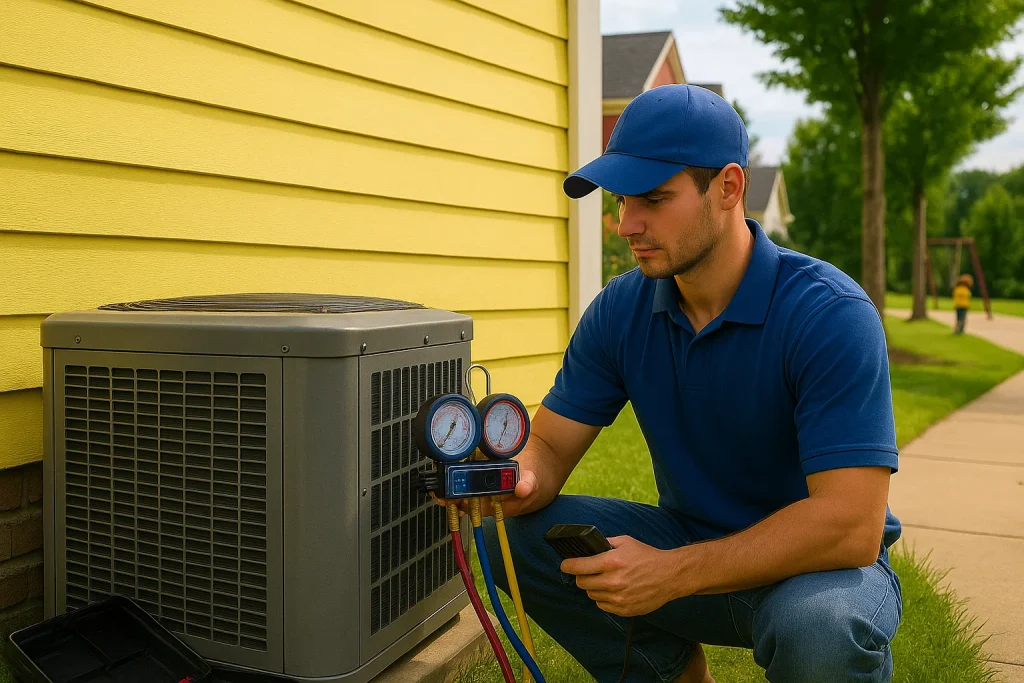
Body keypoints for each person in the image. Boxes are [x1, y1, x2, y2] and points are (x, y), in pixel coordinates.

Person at [462, 84, 902, 682]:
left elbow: (850, 526)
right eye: (620, 201)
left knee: (820, 628)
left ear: (728, 187)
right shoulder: (620, 311)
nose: (626, 224)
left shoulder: (829, 314)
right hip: (691, 538)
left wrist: (670, 571)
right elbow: (549, 448)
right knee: (513, 536)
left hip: (818, 571)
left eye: (652, 199)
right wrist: (509, 479)